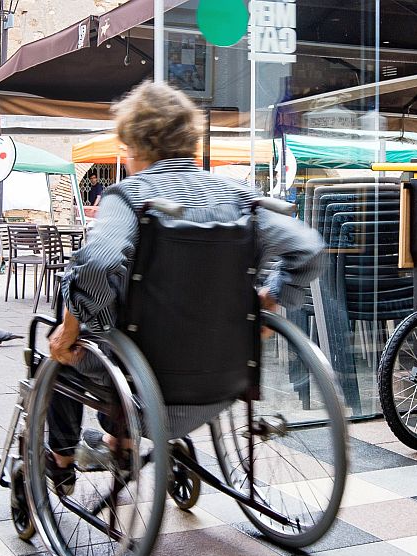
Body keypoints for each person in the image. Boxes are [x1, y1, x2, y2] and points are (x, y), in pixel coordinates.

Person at [44, 82, 324, 487]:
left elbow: (98, 263)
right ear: (189, 140)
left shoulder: (128, 198)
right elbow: (308, 250)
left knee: (63, 333)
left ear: (135, 146)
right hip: (223, 382)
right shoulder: (238, 196)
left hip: (140, 387)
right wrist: (274, 298)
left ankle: (61, 460)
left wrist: (75, 329)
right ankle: (117, 443)